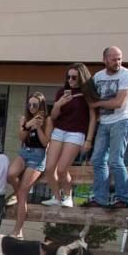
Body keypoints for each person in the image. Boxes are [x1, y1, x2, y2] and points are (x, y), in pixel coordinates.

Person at [87, 46, 128, 209]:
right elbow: (90, 98)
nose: (117, 62)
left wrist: (98, 103)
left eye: (120, 58)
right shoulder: (98, 76)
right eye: (114, 59)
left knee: (115, 160)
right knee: (97, 159)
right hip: (104, 121)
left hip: (123, 120)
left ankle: (122, 198)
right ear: (105, 59)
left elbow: (118, 102)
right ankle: (100, 198)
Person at [43, 62, 98, 207]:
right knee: (49, 168)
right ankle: (56, 197)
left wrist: (89, 140)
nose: (71, 80)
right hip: (59, 130)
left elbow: (93, 117)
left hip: (76, 133)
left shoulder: (87, 94)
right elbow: (54, 116)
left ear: (81, 78)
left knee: (62, 169)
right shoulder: (62, 92)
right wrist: (58, 104)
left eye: (74, 77)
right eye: (69, 77)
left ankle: (68, 196)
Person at [7, 93, 50, 238]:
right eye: (29, 104)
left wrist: (38, 127)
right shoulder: (25, 118)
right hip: (24, 152)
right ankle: (17, 193)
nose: (32, 108)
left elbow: (45, 143)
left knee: (23, 195)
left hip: (38, 155)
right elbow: (21, 137)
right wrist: (27, 125)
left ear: (41, 106)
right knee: (11, 174)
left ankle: (18, 230)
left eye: (35, 105)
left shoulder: (48, 120)